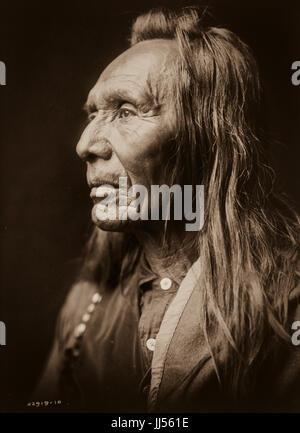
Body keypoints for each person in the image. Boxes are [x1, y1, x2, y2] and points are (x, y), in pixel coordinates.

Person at [34, 7, 300, 412]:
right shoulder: (85, 305)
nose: (86, 143)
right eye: (93, 115)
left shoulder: (287, 304)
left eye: (126, 111)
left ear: (209, 140)